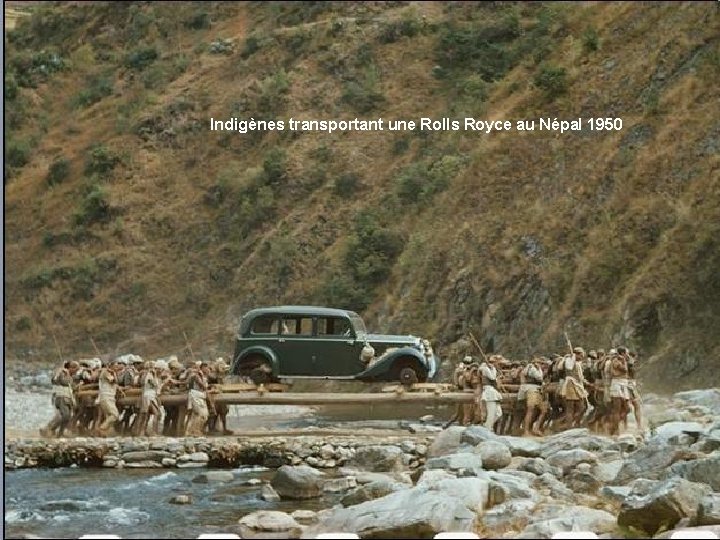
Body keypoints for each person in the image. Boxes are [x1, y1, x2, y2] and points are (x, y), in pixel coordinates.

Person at [40, 360, 80, 438]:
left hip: (68, 397)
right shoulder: (62, 373)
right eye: (76, 369)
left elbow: (71, 387)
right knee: (65, 415)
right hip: (61, 397)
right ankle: (50, 429)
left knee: (67, 416)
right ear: (71, 368)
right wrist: (67, 375)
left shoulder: (70, 376)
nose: (76, 372)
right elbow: (63, 382)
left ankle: (59, 432)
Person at [560, 347, 589, 429]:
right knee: (570, 408)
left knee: (582, 407)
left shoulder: (577, 363)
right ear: (577, 354)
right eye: (581, 355)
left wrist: (587, 383)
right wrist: (572, 357)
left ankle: (575, 423)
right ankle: (569, 426)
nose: (582, 357)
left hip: (578, 385)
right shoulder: (569, 360)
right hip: (570, 384)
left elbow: (580, 377)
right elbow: (568, 367)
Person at [95, 359, 124, 437]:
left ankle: (104, 433)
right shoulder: (105, 372)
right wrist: (114, 373)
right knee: (115, 415)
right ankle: (102, 428)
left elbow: (115, 384)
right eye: (115, 366)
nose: (117, 367)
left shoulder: (110, 373)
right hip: (106, 396)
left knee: (108, 416)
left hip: (110, 396)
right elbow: (113, 381)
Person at [519, 357, 545, 436]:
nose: (542, 365)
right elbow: (539, 377)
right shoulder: (532, 369)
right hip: (532, 390)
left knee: (543, 410)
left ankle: (536, 428)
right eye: (541, 363)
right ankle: (526, 431)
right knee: (530, 410)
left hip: (536, 390)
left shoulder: (533, 368)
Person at [207, 357, 233, 435]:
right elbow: (210, 382)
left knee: (223, 413)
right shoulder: (212, 375)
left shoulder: (225, 376)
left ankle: (224, 429)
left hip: (223, 395)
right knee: (214, 413)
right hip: (214, 395)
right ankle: (211, 429)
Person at [186, 362, 211, 436]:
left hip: (201, 396)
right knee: (200, 414)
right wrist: (210, 390)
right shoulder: (197, 376)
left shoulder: (204, 376)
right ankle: (194, 431)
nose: (207, 369)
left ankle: (195, 430)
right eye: (206, 368)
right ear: (202, 368)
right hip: (195, 395)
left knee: (205, 415)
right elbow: (203, 386)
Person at [479, 355, 503, 432]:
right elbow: (492, 377)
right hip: (489, 391)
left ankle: (486, 426)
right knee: (491, 413)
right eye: (491, 362)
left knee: (499, 413)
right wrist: (492, 368)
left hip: (494, 391)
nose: (493, 363)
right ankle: (488, 428)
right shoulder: (485, 369)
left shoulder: (494, 369)